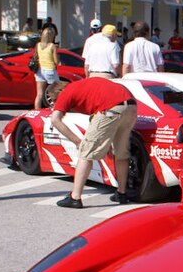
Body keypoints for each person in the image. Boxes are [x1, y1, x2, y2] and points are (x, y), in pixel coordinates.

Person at [46, 78, 138, 207]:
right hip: (131, 107)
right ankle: (122, 193)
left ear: (58, 92)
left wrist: (77, 141)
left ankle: (75, 197)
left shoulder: (66, 92)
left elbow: (55, 119)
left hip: (110, 109)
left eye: (55, 100)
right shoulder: (82, 85)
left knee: (86, 153)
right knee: (121, 153)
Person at [32, 26, 59, 109]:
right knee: (55, 92)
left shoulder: (38, 45)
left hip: (40, 70)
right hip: (50, 70)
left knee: (39, 94)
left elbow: (35, 57)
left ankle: (37, 111)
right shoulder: (52, 46)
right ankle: (55, 109)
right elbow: (56, 61)